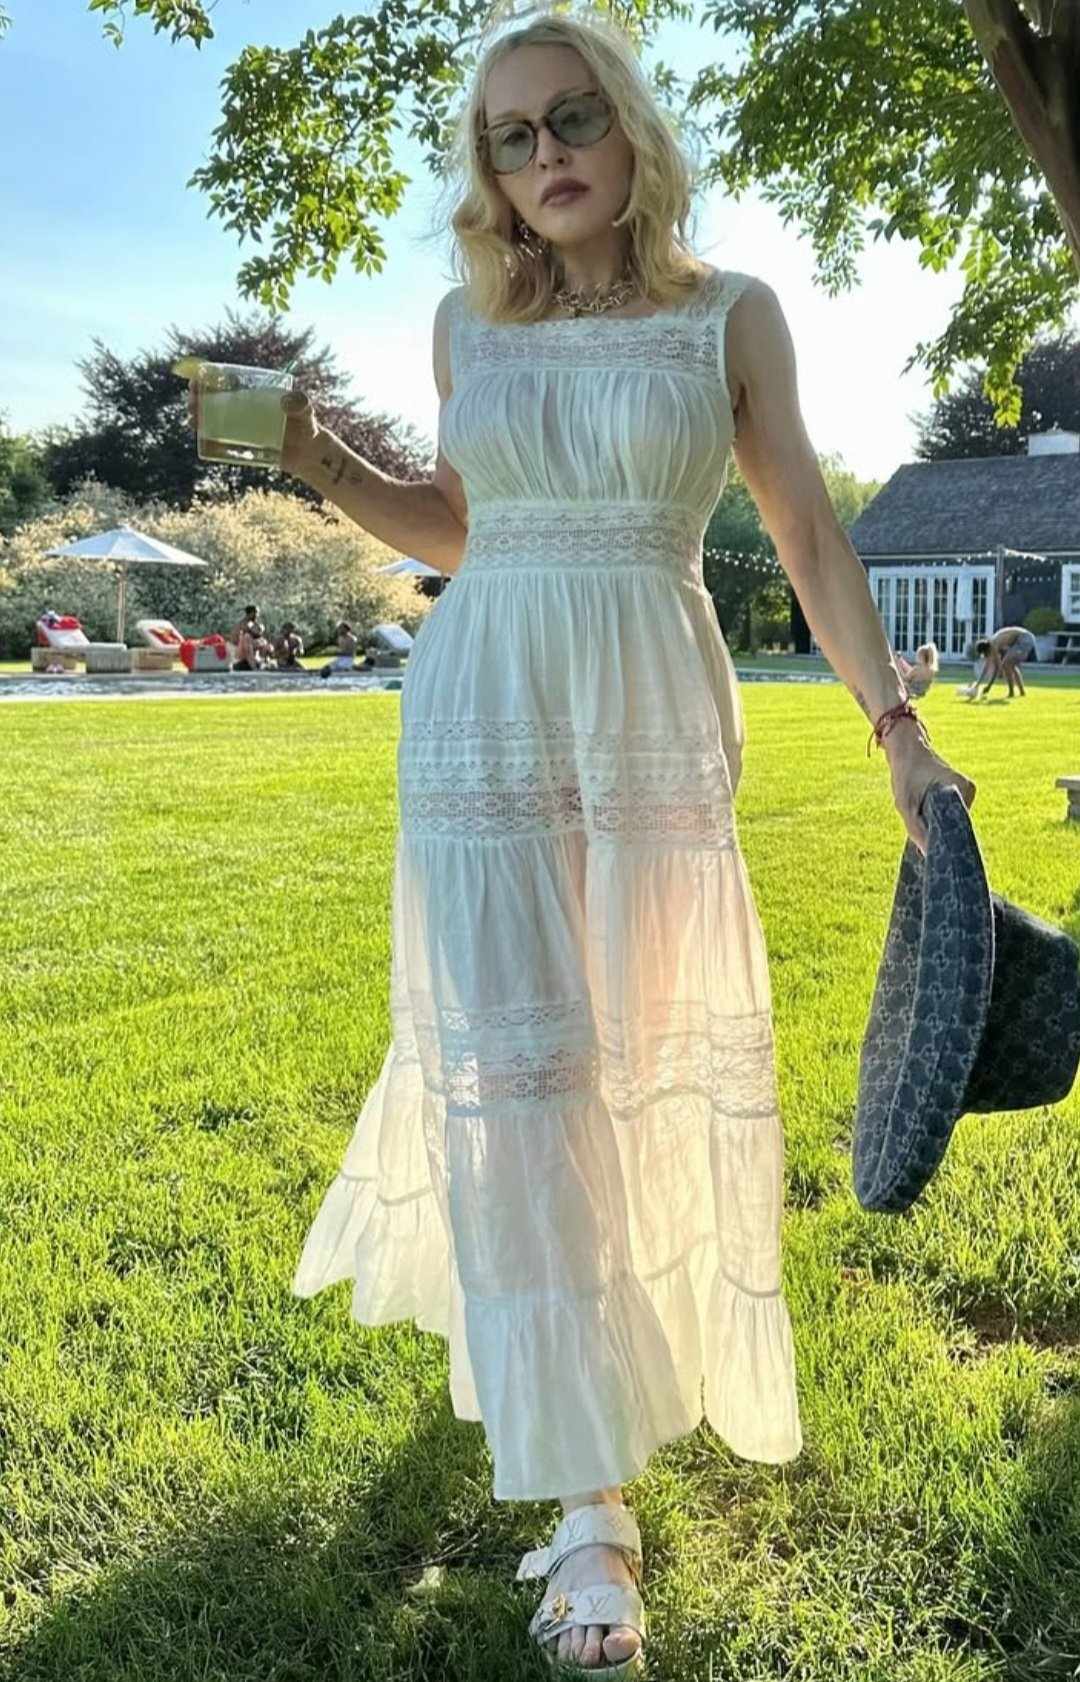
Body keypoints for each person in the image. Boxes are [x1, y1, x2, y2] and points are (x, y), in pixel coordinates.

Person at [187, 13, 975, 1672]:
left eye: (569, 121)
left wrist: (896, 731)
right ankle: (587, 1501)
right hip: (480, 716)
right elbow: (460, 530)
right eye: (509, 137)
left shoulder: (730, 314)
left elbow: (805, 529)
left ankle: (599, 1378)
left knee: (632, 1061)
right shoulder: (465, 324)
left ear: (630, 131)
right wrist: (320, 457)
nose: (543, 156)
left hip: (649, 722)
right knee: (532, 1077)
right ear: (488, 171)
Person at [972, 625, 1037, 698]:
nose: (986, 656)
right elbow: (987, 667)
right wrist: (978, 684)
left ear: (986, 650)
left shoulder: (993, 645)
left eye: (984, 654)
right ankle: (1021, 692)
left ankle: (1011, 693)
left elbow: (996, 668)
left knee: (1006, 664)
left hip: (1025, 638)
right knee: (1010, 665)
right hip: (1024, 639)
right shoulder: (992, 643)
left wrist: (989, 686)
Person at [231, 603, 267, 672]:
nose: (258, 615)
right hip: (241, 657)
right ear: (251, 613)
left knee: (265, 643)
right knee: (247, 638)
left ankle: (260, 663)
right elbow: (257, 631)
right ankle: (254, 667)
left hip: (253, 657)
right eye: (257, 613)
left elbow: (259, 634)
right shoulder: (243, 624)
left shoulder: (253, 624)